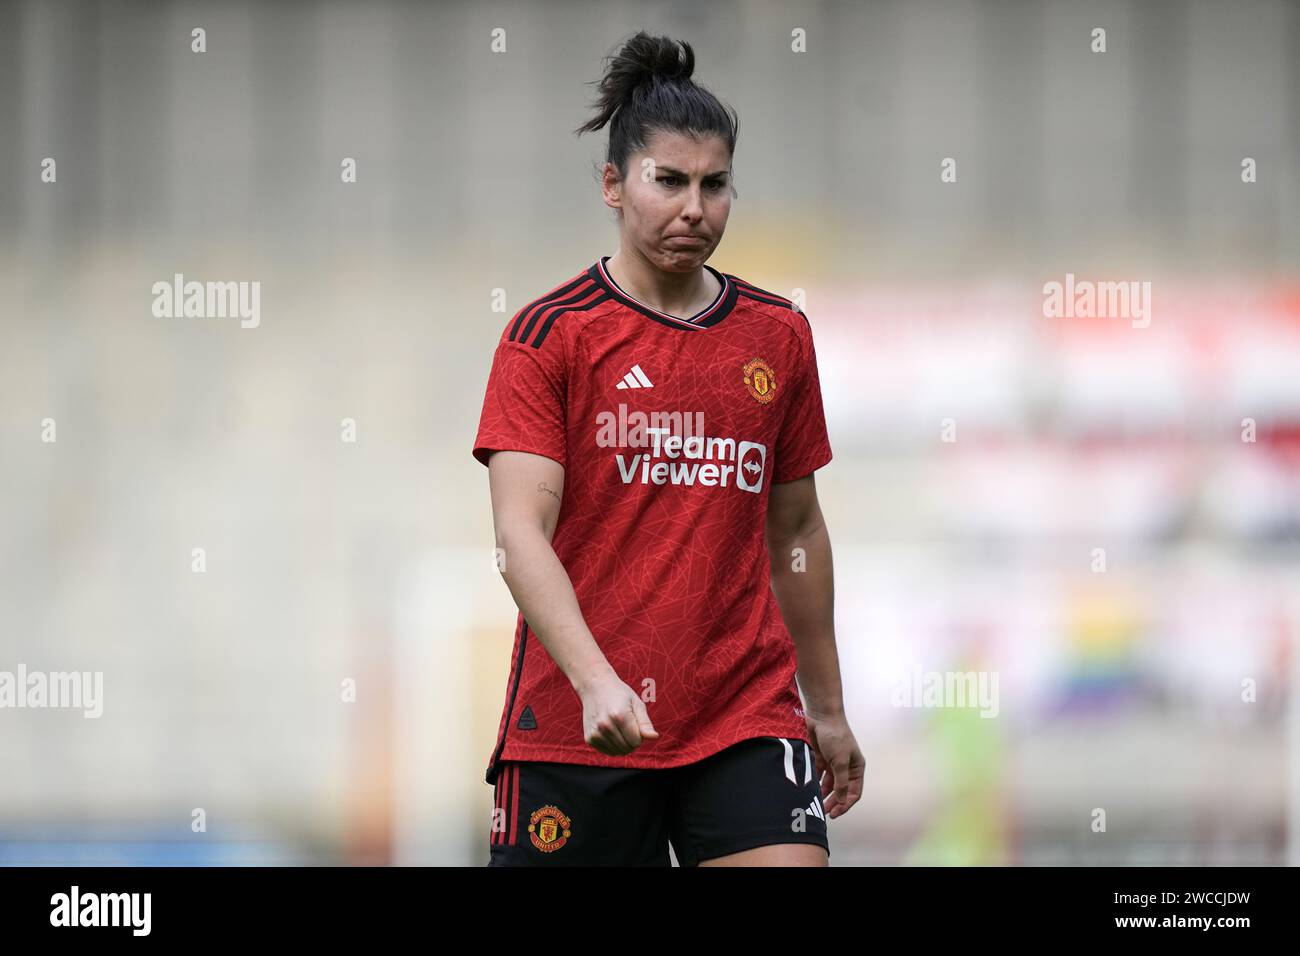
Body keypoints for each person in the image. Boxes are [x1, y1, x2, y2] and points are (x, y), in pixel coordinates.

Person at [471, 30, 864, 866]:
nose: (695, 207)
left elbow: (796, 530)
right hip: (583, 725)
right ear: (614, 185)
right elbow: (519, 538)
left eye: (715, 185)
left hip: (743, 714)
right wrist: (594, 680)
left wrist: (824, 708)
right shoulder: (551, 337)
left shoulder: (778, 334)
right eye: (670, 181)